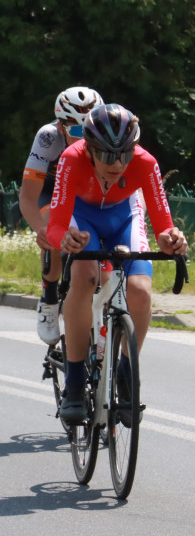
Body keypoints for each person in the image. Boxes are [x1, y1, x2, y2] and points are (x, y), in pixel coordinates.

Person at [48, 104, 188, 426]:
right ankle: (72, 384)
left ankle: (126, 373)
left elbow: (163, 225)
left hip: (124, 217)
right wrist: (64, 240)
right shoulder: (71, 159)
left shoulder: (145, 163)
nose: (118, 164)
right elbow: (56, 224)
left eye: (124, 154)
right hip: (84, 221)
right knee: (84, 274)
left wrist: (172, 240)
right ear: (90, 150)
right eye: (108, 156)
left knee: (139, 289)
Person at [19, 87, 104, 345]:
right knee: (53, 231)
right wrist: (41, 230)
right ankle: (49, 300)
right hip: (49, 190)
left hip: (81, 193)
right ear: (60, 125)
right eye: (76, 132)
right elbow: (27, 198)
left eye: (88, 131)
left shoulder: (105, 134)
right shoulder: (48, 138)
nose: (84, 140)